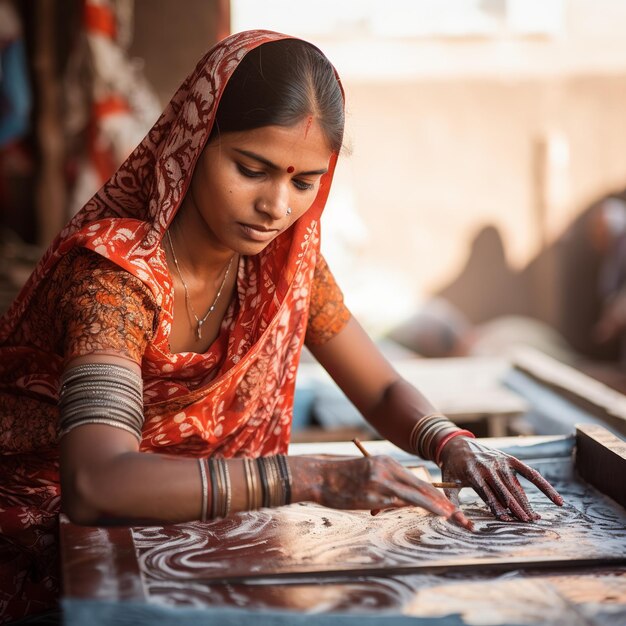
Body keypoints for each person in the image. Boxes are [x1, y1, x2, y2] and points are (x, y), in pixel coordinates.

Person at [0, 30, 563, 623]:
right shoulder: (113, 277)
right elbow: (96, 482)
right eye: (251, 169)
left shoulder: (284, 265)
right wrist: (313, 476)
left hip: (183, 543)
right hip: (45, 556)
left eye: (303, 182)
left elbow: (380, 387)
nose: (276, 206)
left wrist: (448, 442)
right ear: (192, 144)